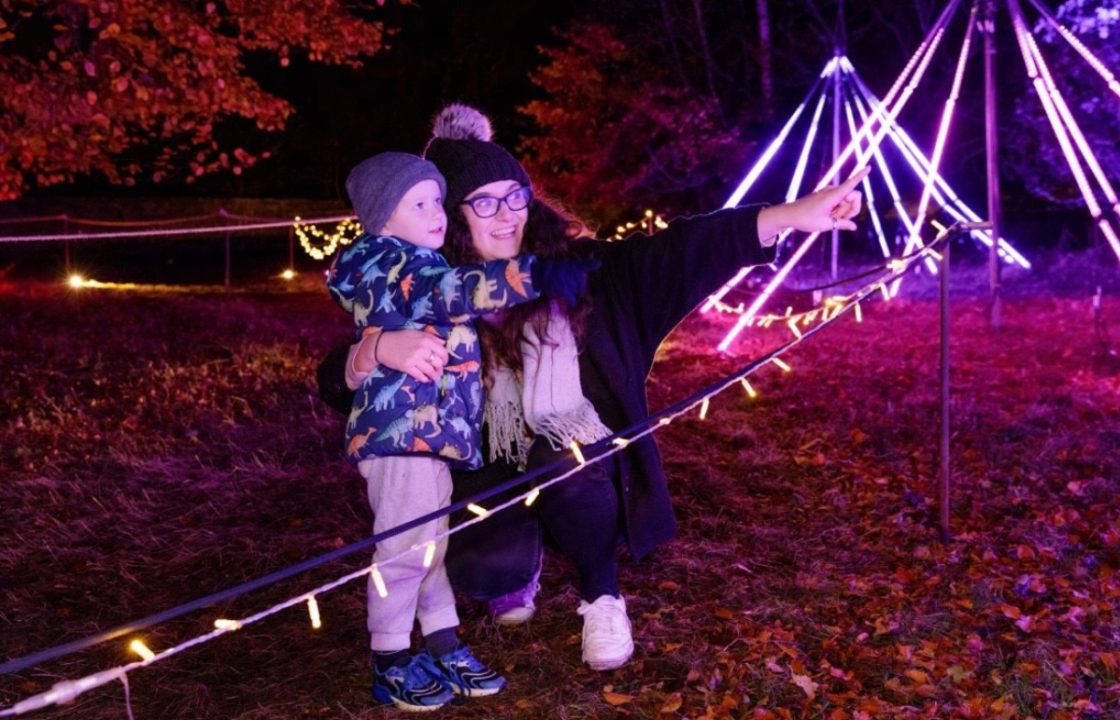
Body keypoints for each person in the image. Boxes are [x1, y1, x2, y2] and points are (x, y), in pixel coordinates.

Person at [319, 103, 866, 674]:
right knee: (483, 573)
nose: (507, 215)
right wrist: (373, 352)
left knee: (568, 461)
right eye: (484, 202)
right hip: (480, 471)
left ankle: (602, 594)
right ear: (453, 217)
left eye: (516, 196)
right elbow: (336, 382)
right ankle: (518, 561)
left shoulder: (577, 274)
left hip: (571, 459)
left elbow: (679, 252)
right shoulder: (423, 289)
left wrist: (794, 214)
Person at [328, 151, 591, 710]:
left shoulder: (414, 262)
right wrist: (531, 274)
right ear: (381, 219)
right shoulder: (396, 266)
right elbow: (458, 290)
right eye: (418, 204)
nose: (436, 214)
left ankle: (442, 638)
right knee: (406, 549)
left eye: (436, 201)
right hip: (402, 437)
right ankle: (391, 656)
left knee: (430, 544)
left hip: (427, 438)